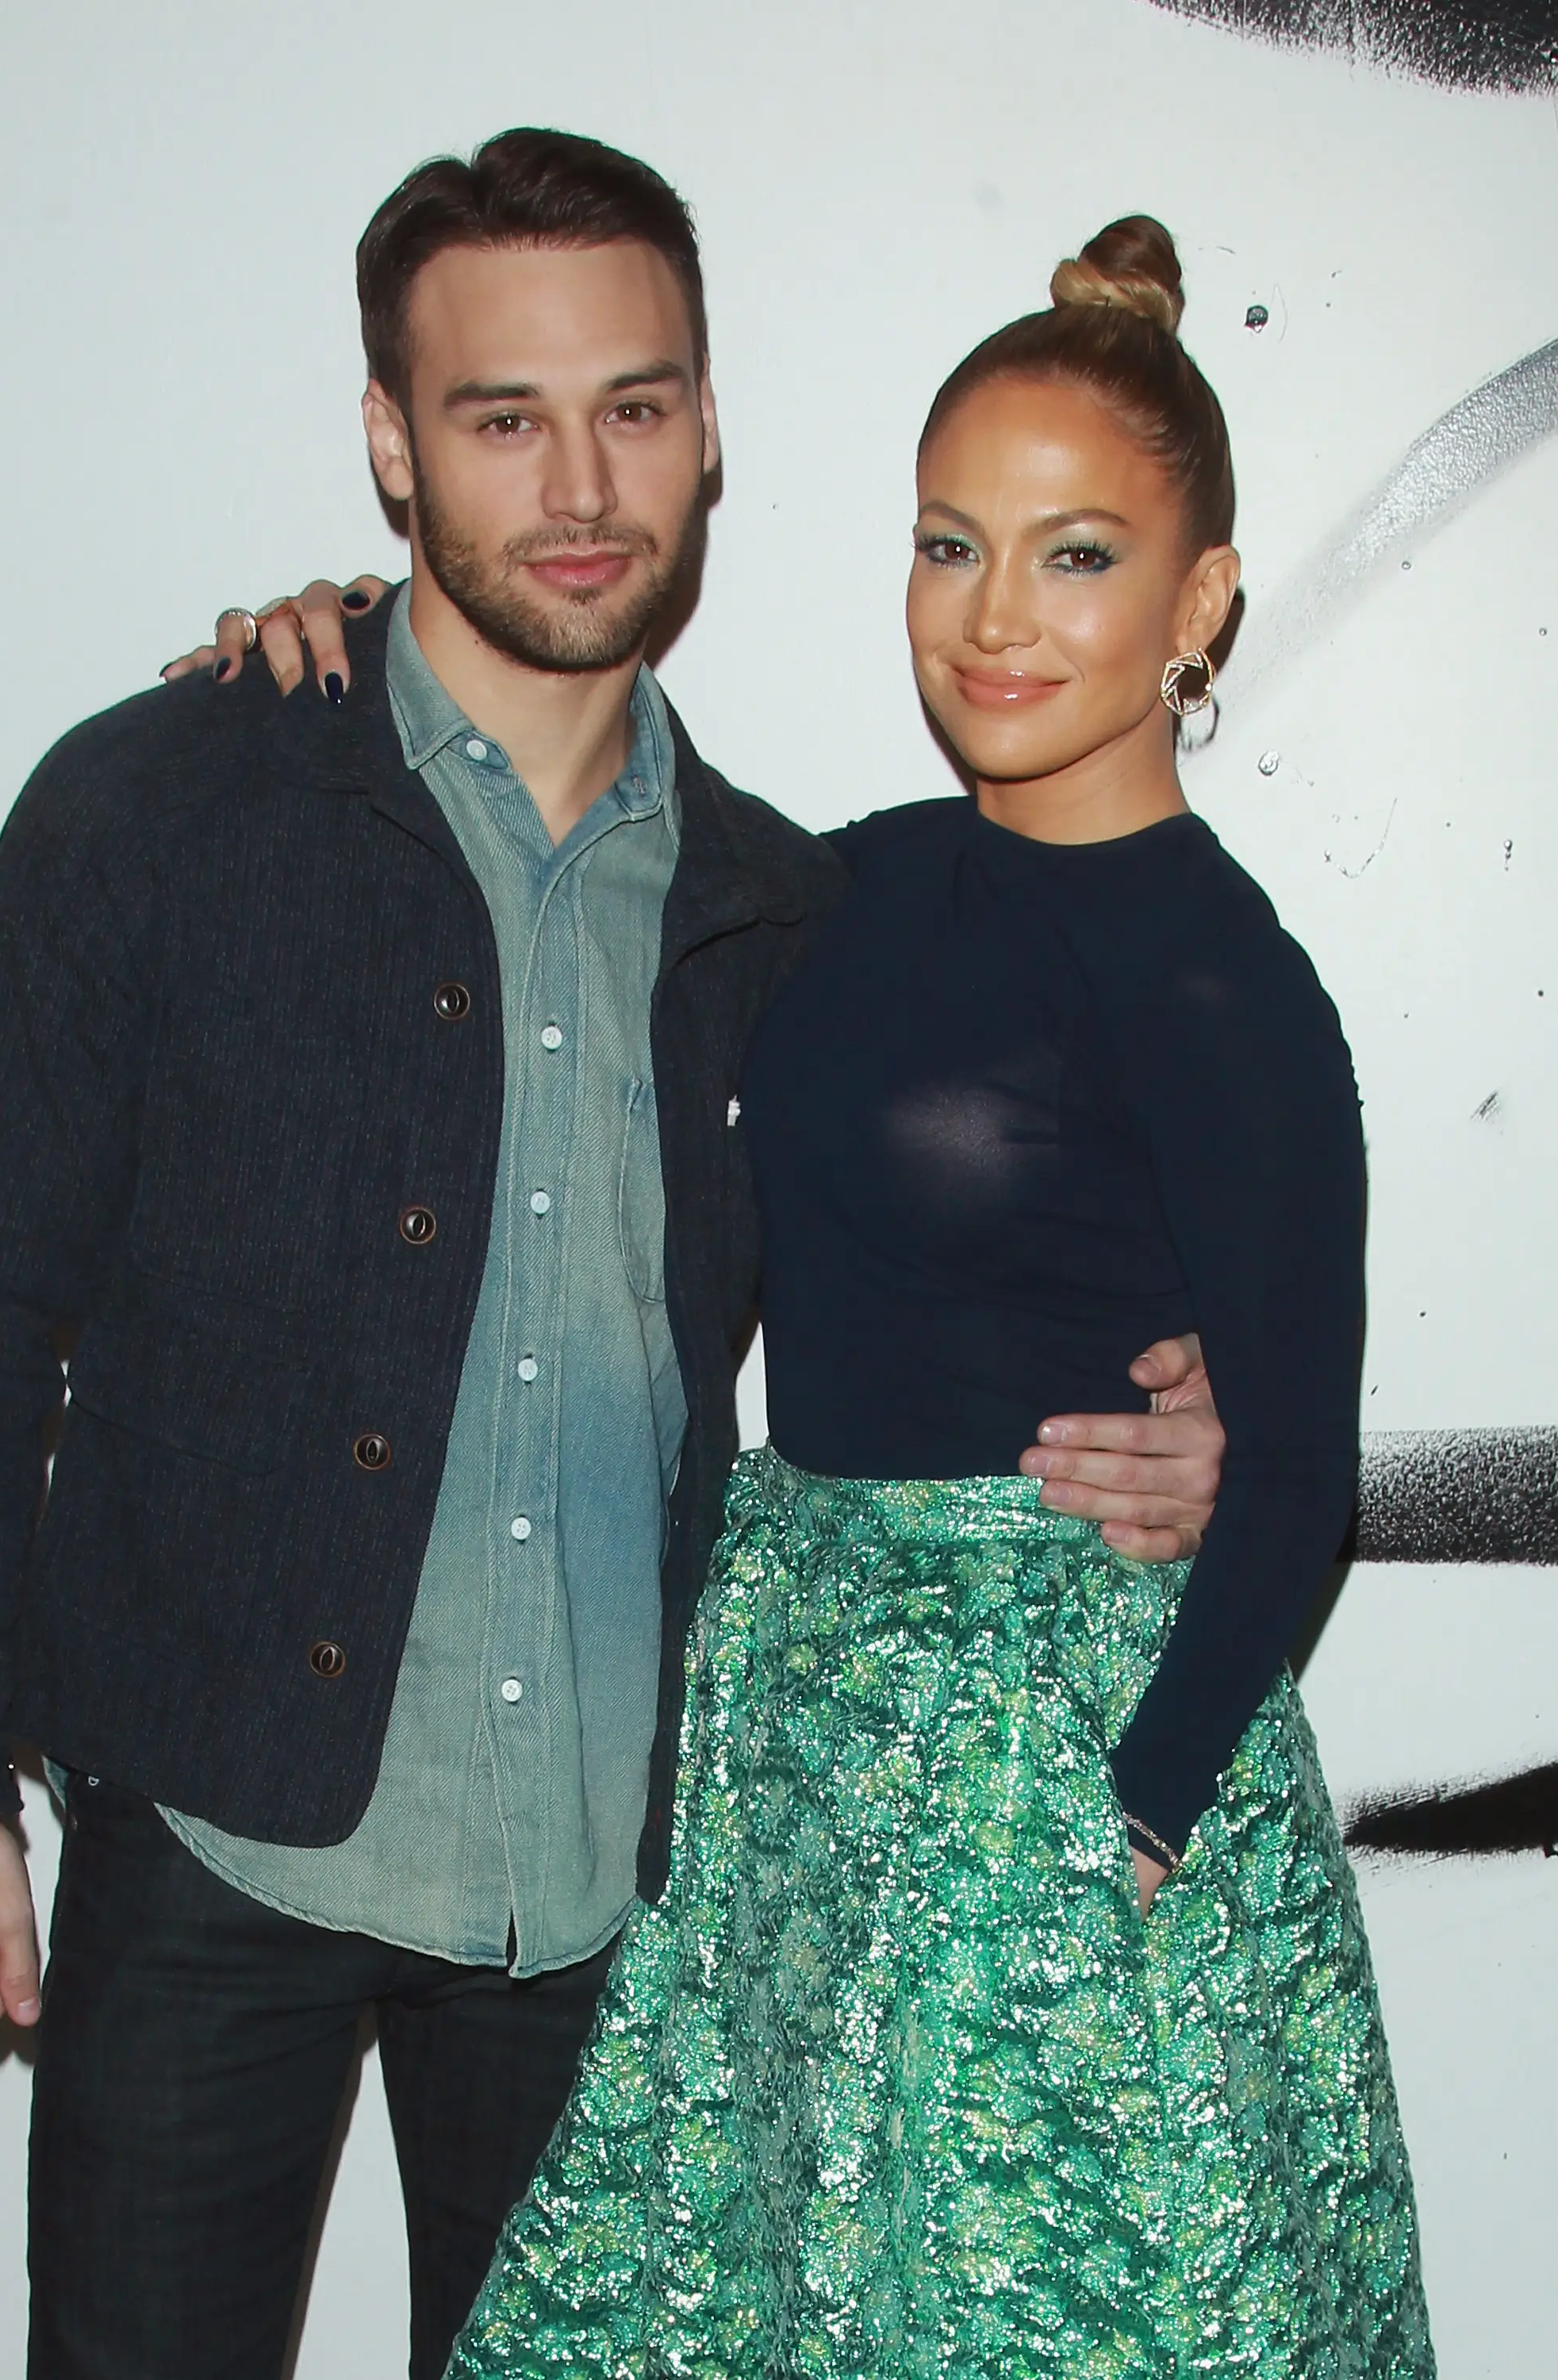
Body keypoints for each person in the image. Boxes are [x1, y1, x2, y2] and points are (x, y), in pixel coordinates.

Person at [0, 135, 1223, 2380]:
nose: (581, 481)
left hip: (611, 1896)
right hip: (216, 1839)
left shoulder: (801, 916)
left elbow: (1020, 1246)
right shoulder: (165, 804)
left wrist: (1207, 1418)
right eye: (503, 416)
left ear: (708, 426)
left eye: (638, 405)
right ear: (394, 443)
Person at [436, 219, 1433, 2377]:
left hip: (1050, 1755)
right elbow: (535, 748)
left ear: (1200, 606)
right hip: (798, 1723)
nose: (995, 619)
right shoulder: (847, 873)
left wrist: (1143, 1814)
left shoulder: (1223, 978)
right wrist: (331, 625)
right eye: (948, 545)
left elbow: (1298, 1476)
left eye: (1075, 559)